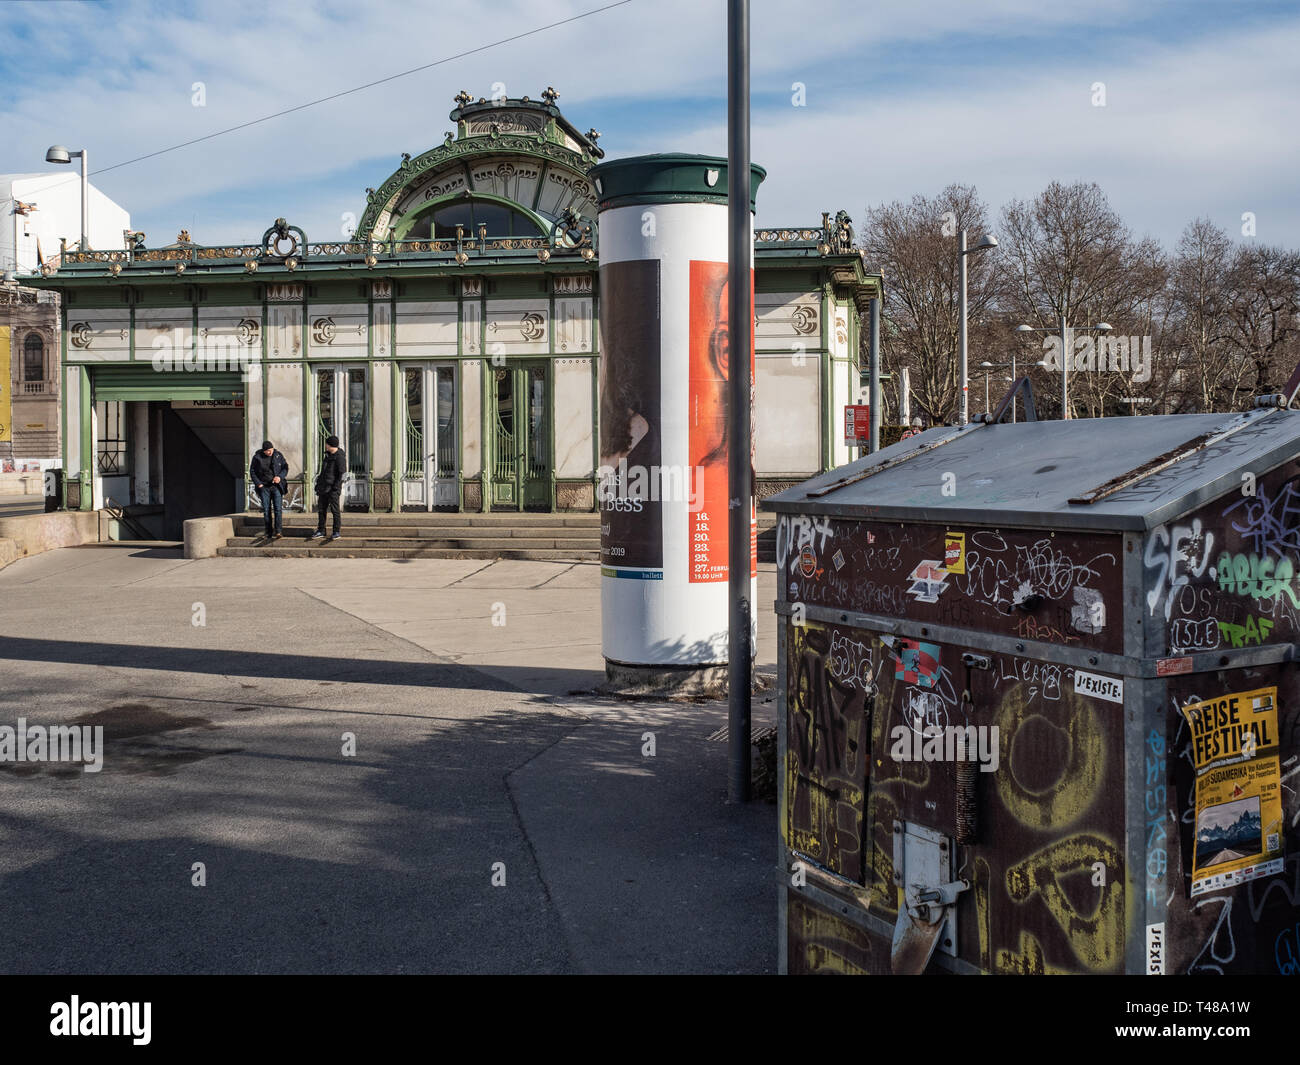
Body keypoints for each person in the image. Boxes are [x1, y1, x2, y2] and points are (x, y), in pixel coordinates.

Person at [309, 435, 347, 541]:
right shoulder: (327, 456)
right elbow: (323, 472)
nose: (325, 445)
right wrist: (318, 485)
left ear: (331, 445)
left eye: (326, 444)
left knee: (335, 511)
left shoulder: (339, 457)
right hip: (323, 487)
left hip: (333, 489)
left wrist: (336, 487)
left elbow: (342, 474)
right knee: (321, 510)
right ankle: (321, 530)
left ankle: (336, 531)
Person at [249, 440, 288, 540]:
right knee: (266, 510)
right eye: (267, 451)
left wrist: (280, 477)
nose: (270, 452)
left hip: (276, 486)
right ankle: (268, 532)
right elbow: (252, 471)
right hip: (264, 487)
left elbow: (285, 467)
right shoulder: (257, 457)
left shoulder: (278, 455)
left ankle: (278, 531)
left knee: (278, 509)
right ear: (263, 450)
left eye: (271, 450)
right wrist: (259, 484)